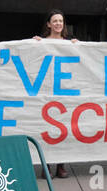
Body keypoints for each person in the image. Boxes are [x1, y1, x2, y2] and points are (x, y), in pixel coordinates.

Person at [33, 9, 77, 178]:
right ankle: (47, 165)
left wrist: (78, 47)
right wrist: (33, 45)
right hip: (46, 91)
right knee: (46, 130)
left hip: (64, 92)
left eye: (61, 21)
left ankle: (61, 165)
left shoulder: (69, 43)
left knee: (63, 130)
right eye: (55, 21)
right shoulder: (41, 42)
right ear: (49, 24)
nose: (58, 23)